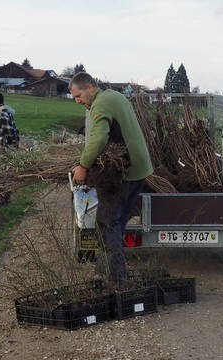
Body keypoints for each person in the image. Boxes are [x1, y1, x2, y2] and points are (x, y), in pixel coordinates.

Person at [69, 72, 153, 286]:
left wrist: (83, 166)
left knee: (108, 222)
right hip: (139, 168)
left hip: (125, 171)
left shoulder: (101, 104)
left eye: (78, 96)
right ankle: (107, 270)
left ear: (89, 87)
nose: (77, 101)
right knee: (115, 221)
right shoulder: (114, 96)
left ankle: (116, 280)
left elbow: (98, 138)